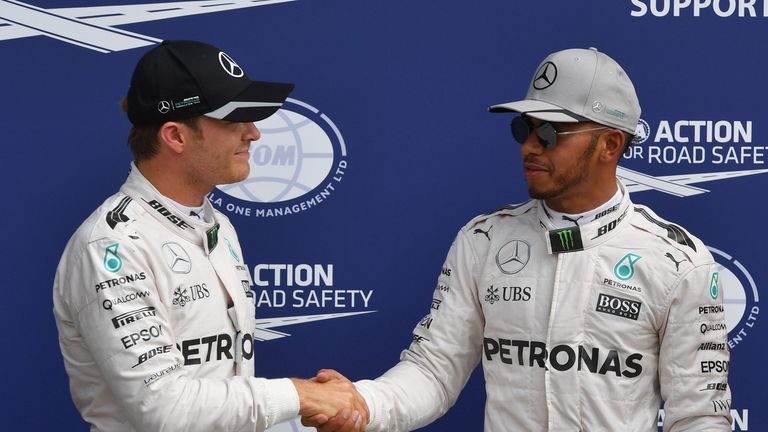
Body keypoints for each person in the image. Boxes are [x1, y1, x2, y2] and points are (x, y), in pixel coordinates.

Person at [309, 48, 732, 431]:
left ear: (610, 143)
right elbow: (434, 370)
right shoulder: (484, 240)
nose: (530, 146)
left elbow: (699, 419)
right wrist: (365, 404)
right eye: (523, 129)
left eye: (550, 133)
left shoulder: (678, 262)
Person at [53, 40, 367, 432]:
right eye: (233, 120)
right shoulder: (111, 246)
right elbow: (162, 409)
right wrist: (300, 395)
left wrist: (307, 413)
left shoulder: (217, 224)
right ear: (176, 135)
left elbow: (224, 396)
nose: (253, 134)